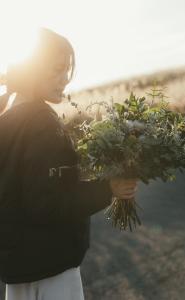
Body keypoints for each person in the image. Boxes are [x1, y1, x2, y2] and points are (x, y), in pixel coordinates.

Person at [0, 27, 137, 300]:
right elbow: (47, 204)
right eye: (57, 69)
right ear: (34, 70)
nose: (64, 79)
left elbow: (26, 187)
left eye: (67, 70)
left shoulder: (7, 119)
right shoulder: (42, 123)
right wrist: (107, 187)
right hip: (51, 268)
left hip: (17, 268)